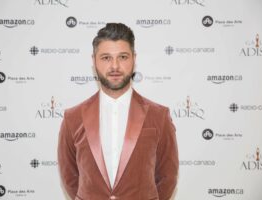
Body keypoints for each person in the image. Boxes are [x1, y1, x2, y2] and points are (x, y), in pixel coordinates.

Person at [58, 23, 179, 200]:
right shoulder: (72, 118)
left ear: (134, 58)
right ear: (94, 61)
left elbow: (168, 177)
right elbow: (70, 178)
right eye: (106, 58)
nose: (115, 66)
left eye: (122, 57)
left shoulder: (159, 116)